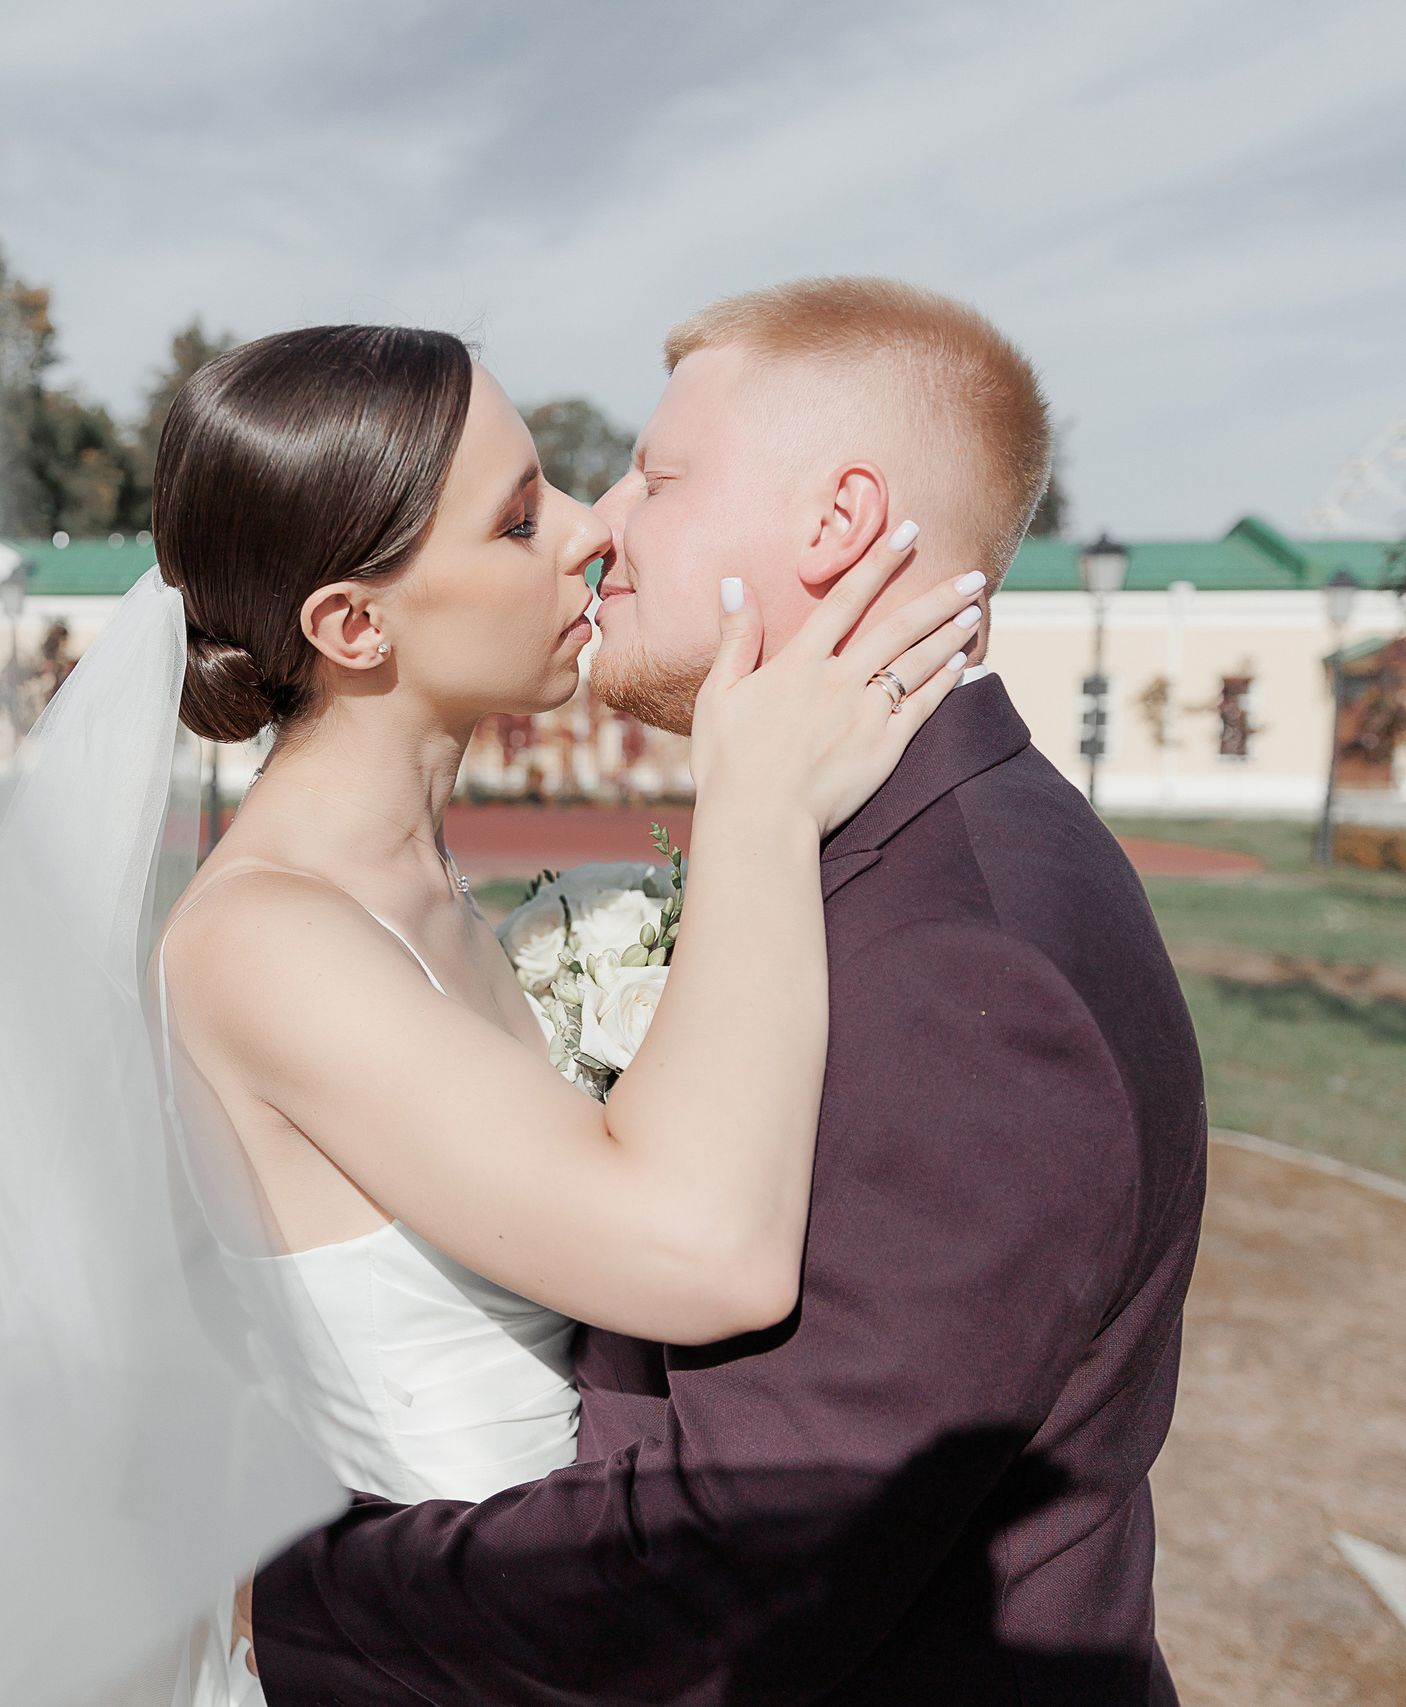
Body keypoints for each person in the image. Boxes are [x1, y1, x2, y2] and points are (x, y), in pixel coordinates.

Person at [241, 280, 1207, 1704]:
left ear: (838, 523)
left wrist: (292, 1598)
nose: (603, 522)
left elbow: (735, 1566)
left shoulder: (968, 970)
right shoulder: (876, 863)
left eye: (661, 474)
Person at [137, 320, 976, 1704]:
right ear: (354, 624)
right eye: (521, 519)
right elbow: (709, 1256)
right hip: (457, 1649)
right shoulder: (264, 943)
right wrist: (756, 803)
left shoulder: (451, 901)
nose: (595, 531)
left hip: (593, 1625)